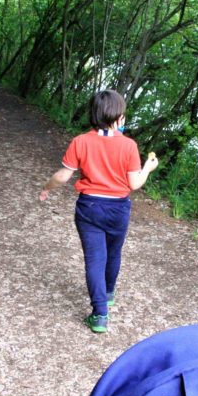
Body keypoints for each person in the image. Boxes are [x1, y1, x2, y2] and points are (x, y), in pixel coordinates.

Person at [39, 90, 159, 333]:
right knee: (114, 252)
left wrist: (46, 189)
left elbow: (63, 176)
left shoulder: (80, 142)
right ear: (118, 115)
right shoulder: (129, 146)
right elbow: (134, 184)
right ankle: (109, 293)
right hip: (118, 208)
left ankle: (100, 314)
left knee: (95, 259)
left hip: (89, 207)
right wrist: (148, 168)